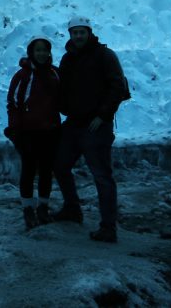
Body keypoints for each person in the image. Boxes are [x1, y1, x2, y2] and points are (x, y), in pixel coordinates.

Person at [52, 16, 130, 243]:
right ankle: (72, 209)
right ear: (70, 34)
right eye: (74, 32)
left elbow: (117, 86)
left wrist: (103, 115)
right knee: (59, 164)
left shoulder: (105, 56)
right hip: (74, 123)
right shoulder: (68, 59)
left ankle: (108, 227)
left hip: (96, 126)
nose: (78, 36)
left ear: (89, 33)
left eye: (81, 32)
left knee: (102, 176)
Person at [5, 37, 61, 230]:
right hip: (28, 132)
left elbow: (64, 99)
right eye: (38, 50)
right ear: (31, 53)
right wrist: (15, 130)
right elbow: (13, 103)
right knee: (28, 170)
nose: (42, 54)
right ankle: (28, 210)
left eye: (45, 50)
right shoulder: (22, 76)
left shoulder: (55, 73)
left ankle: (43, 208)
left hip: (51, 131)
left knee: (46, 171)